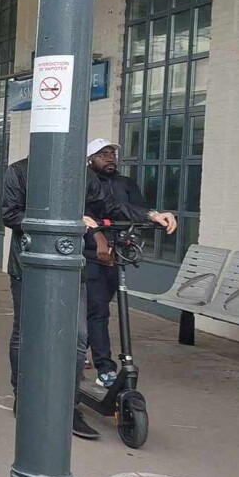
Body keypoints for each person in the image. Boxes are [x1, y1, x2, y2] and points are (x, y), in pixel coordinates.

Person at [2, 155, 175, 439]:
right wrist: (65, 220)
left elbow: (109, 204)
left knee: (78, 336)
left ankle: (67, 405)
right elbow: (11, 215)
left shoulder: (82, 175)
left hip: (72, 264)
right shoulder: (20, 171)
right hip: (29, 265)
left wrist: (150, 215)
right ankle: (23, 394)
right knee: (26, 332)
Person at [84, 138, 173, 388]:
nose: (109, 158)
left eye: (112, 153)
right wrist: (98, 239)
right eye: (103, 154)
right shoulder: (85, 182)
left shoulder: (126, 184)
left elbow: (127, 209)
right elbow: (84, 214)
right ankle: (104, 367)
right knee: (97, 309)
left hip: (119, 253)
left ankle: (86, 351)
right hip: (92, 253)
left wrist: (154, 217)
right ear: (90, 159)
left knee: (102, 308)